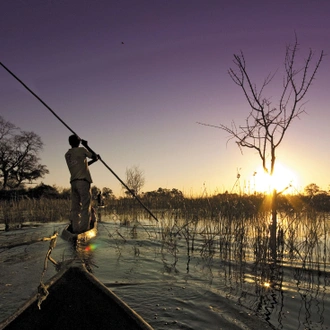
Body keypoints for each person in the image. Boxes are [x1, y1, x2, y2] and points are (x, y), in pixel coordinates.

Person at [65, 135, 99, 234]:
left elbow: (82, 164)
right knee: (85, 206)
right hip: (83, 182)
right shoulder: (81, 150)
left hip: (73, 182)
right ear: (79, 142)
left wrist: (94, 160)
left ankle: (75, 229)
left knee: (75, 207)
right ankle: (84, 230)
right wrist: (87, 145)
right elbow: (94, 155)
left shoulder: (67, 154)